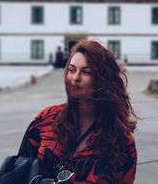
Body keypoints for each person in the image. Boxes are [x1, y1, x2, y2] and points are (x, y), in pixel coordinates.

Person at [18, 40, 138, 184]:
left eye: (86, 72)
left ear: (104, 79)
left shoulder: (122, 141)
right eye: (72, 70)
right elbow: (20, 167)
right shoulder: (46, 118)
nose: (75, 78)